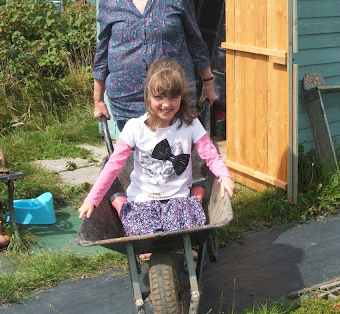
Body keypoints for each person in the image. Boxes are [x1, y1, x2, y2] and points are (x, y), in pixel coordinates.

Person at [79, 59, 235, 237]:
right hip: (142, 198)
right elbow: (113, 166)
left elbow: (211, 156)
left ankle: (195, 196)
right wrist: (92, 199)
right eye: (159, 97)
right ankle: (120, 203)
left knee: (187, 233)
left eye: (173, 97)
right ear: (148, 97)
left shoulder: (190, 125)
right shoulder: (135, 127)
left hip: (178, 198)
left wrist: (225, 176)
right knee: (143, 241)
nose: (166, 104)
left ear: (181, 97)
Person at [93, 0, 216, 132]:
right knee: (137, 162)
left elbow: (194, 39)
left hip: (174, 97)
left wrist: (208, 83)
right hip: (128, 100)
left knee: (178, 160)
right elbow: (102, 53)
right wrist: (98, 100)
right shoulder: (109, 0)